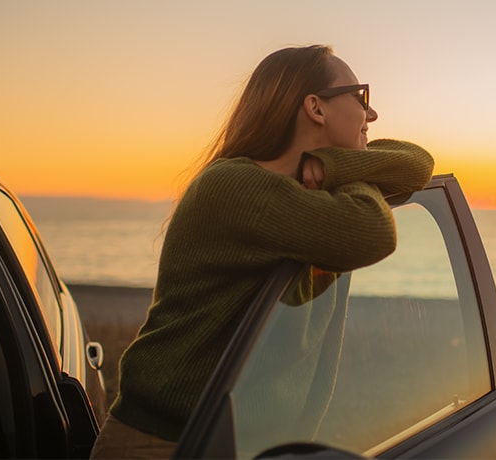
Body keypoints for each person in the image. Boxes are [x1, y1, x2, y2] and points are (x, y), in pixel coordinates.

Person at [89, 44, 434, 459]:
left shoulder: (304, 188)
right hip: (164, 443)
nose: (371, 115)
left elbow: (418, 162)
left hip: (245, 446)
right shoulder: (234, 186)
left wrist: (331, 168)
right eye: (361, 96)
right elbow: (371, 230)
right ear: (315, 108)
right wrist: (345, 168)